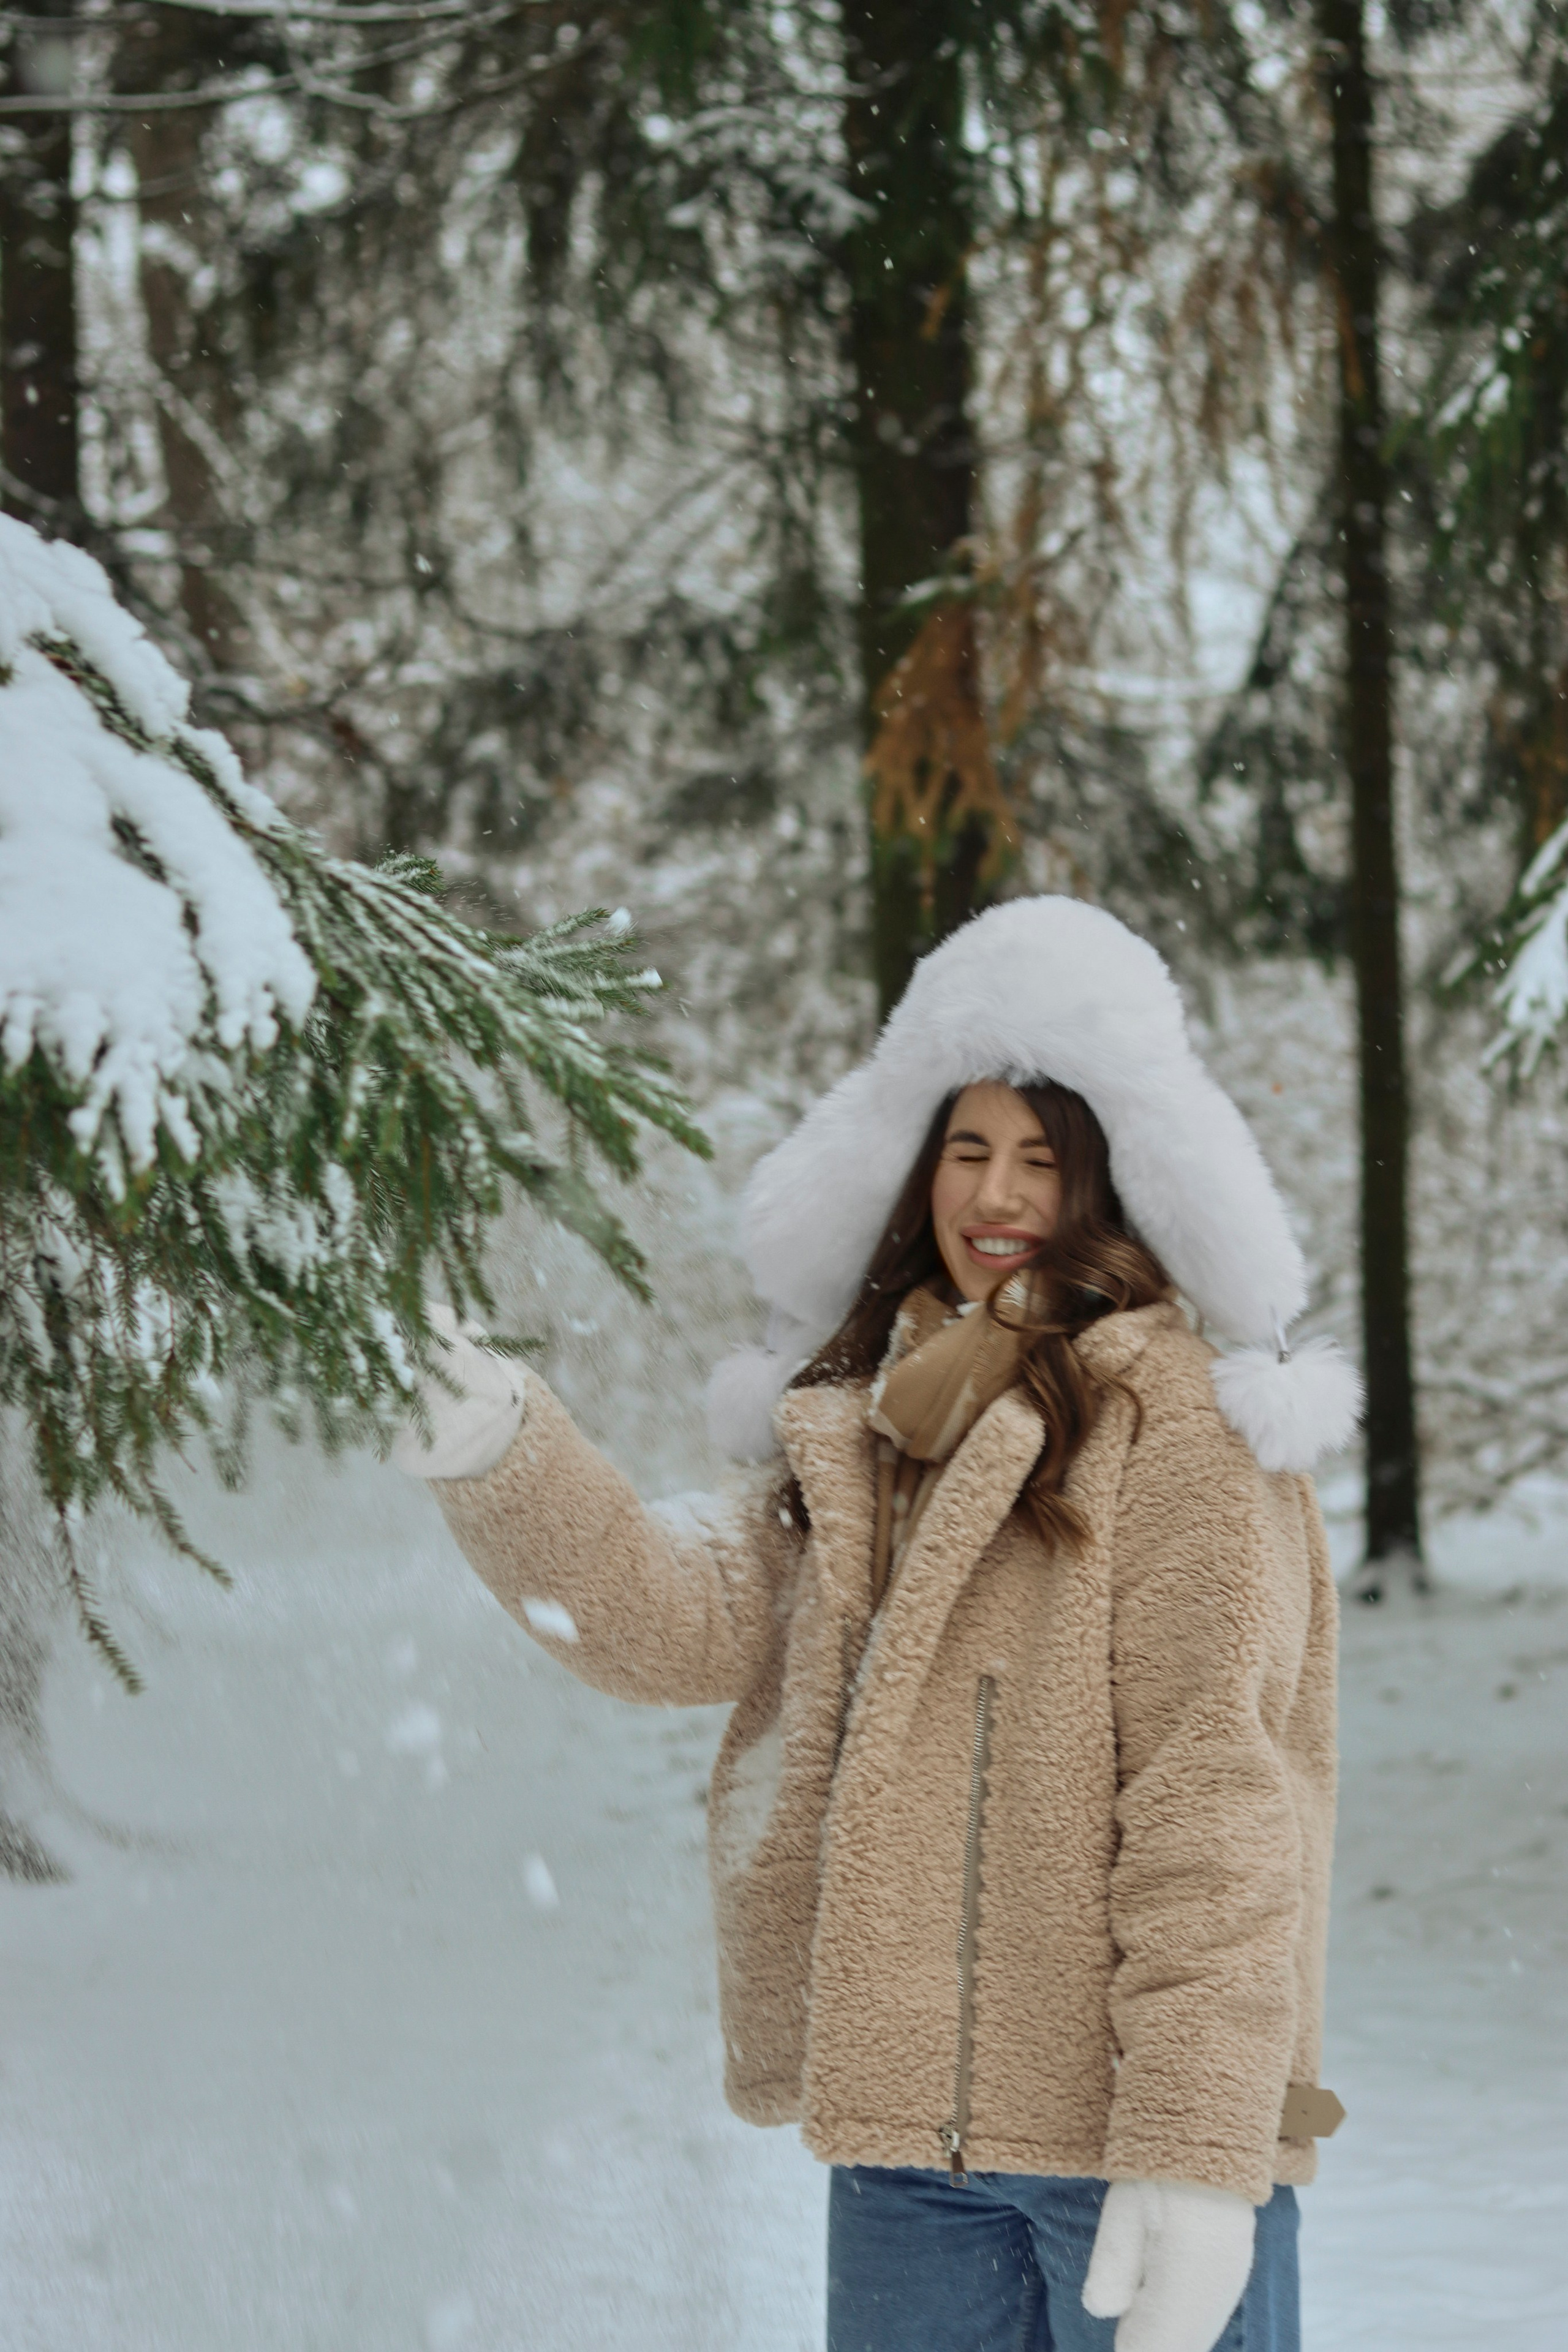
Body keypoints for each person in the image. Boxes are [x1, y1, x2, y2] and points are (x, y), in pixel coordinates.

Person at [392, 897, 1358, 2352]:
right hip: (909, 2153)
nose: (997, 1190)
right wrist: (504, 1454)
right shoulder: (868, 1426)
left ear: (1111, 1184)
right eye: (965, 1148)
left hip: (1126, 2146)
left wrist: (1196, 2142)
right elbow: (676, 1623)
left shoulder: (1179, 1432)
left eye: (1042, 1156)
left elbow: (1214, 1801)